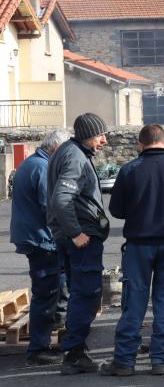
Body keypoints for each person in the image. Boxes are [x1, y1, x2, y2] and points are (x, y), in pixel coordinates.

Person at [101, 125, 164, 376]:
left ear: (140, 144)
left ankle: (125, 361)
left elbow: (117, 210)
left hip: (139, 246)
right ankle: (161, 359)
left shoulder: (129, 170)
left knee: (133, 303)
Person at [47, 113, 110, 375]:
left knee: (78, 292)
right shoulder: (74, 156)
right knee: (87, 293)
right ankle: (73, 354)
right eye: (100, 135)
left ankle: (76, 349)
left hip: (72, 235)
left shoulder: (69, 151)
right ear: (87, 136)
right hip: (81, 237)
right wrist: (75, 233)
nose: (104, 140)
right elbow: (62, 199)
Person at [10, 129, 71, 366]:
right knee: (45, 294)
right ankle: (37, 350)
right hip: (41, 240)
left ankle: (47, 336)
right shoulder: (43, 168)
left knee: (52, 289)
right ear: (56, 148)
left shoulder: (33, 163)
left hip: (34, 237)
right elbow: (52, 207)